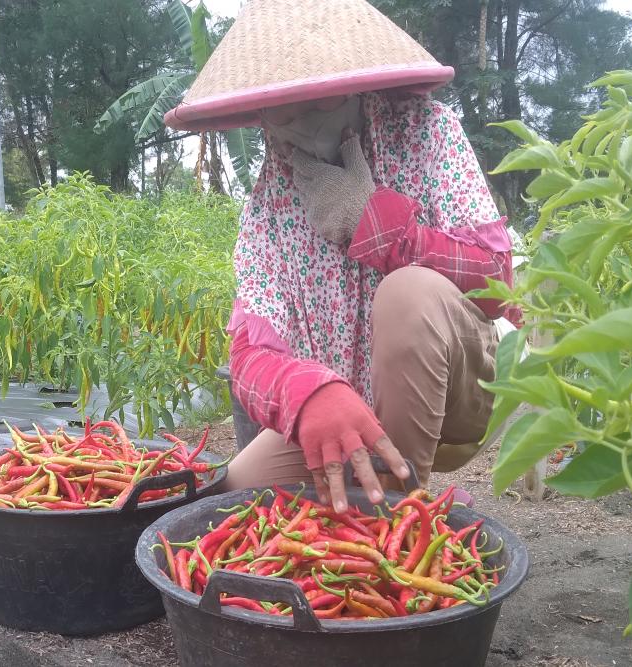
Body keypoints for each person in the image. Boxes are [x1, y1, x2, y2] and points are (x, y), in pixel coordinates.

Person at [165, 0, 518, 513]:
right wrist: (307, 392)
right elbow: (248, 351)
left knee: (408, 294)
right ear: (262, 113)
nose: (303, 121)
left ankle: (392, 518)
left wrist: (377, 227)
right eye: (284, 107)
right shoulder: (268, 206)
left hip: (462, 392)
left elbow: (495, 276)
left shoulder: (426, 132)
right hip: (349, 404)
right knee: (231, 497)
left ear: (354, 86)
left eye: (321, 100)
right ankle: (390, 511)